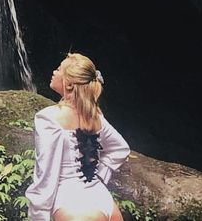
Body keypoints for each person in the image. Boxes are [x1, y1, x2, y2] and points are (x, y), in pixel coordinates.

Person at [25, 53, 131, 221]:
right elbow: (121, 148)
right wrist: (100, 175)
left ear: (68, 84)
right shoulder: (94, 116)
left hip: (72, 206)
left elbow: (45, 175)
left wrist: (38, 216)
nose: (54, 71)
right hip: (103, 201)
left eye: (59, 69)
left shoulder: (48, 118)